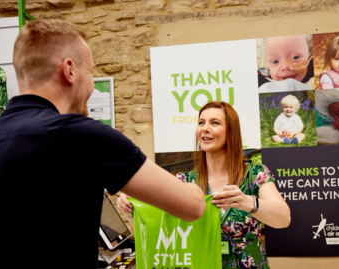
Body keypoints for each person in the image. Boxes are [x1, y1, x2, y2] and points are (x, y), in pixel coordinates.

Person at [0, 19, 205, 269]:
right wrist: (195, 190)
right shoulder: (78, 135)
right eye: (91, 72)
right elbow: (192, 207)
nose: (92, 84)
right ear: (70, 70)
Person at [118, 101, 291, 269]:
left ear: (231, 131)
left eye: (215, 123)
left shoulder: (255, 173)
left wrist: (247, 202)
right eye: (201, 122)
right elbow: (157, 231)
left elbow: (284, 218)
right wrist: (131, 208)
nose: (205, 128)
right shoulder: (184, 182)